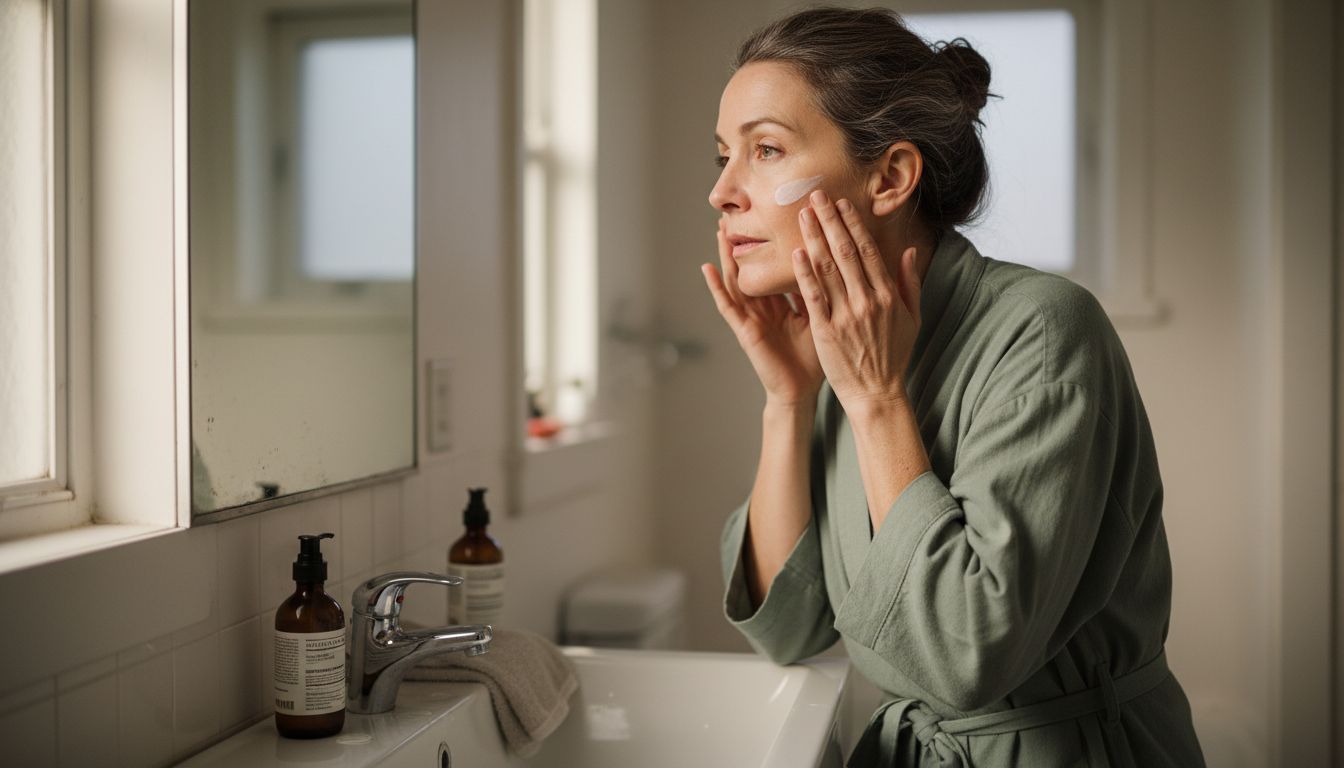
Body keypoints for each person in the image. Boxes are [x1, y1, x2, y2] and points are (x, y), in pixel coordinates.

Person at [700, 7, 1206, 767]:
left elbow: (965, 656)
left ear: (891, 177)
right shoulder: (842, 340)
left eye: (766, 150)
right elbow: (788, 629)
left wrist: (875, 402)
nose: (724, 193)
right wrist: (789, 399)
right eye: (722, 157)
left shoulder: (1044, 330)